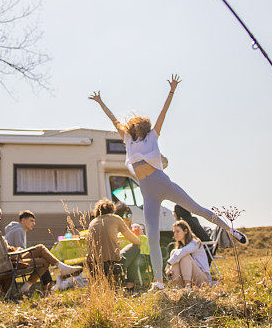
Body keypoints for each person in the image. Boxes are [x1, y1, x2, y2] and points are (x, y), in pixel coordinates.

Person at [90, 74, 247, 292]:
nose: (133, 127)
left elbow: (163, 112)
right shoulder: (127, 140)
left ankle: (231, 231)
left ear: (142, 127)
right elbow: (114, 120)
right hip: (148, 193)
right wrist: (100, 102)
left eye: (136, 125)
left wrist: (172, 90)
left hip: (162, 183)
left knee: (198, 209)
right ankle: (159, 282)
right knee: (152, 238)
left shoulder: (152, 136)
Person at [0, 207, 82, 294]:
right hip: (11, 261)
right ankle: (58, 270)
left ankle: (31, 285)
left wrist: (13, 249)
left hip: (6, 261)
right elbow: (6, 251)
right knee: (42, 253)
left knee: (42, 253)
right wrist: (17, 249)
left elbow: (2, 250)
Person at [86, 199, 141, 289]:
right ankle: (130, 284)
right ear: (112, 209)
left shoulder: (93, 222)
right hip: (112, 266)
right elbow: (136, 241)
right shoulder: (115, 218)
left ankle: (112, 284)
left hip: (94, 268)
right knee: (136, 248)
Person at [5, 210, 52, 288]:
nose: (34, 223)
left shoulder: (18, 229)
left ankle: (44, 285)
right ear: (23, 221)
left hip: (12, 259)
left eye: (34, 221)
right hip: (14, 261)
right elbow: (20, 251)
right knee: (41, 250)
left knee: (42, 258)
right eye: (31, 221)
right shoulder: (19, 230)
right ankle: (48, 283)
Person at [165, 220, 212, 288]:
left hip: (203, 280)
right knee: (174, 252)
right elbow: (178, 254)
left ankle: (187, 286)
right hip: (190, 278)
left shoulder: (195, 243)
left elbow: (183, 252)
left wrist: (169, 263)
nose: (175, 235)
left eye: (178, 231)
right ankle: (177, 286)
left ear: (185, 231)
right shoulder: (180, 247)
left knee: (184, 256)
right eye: (174, 232)